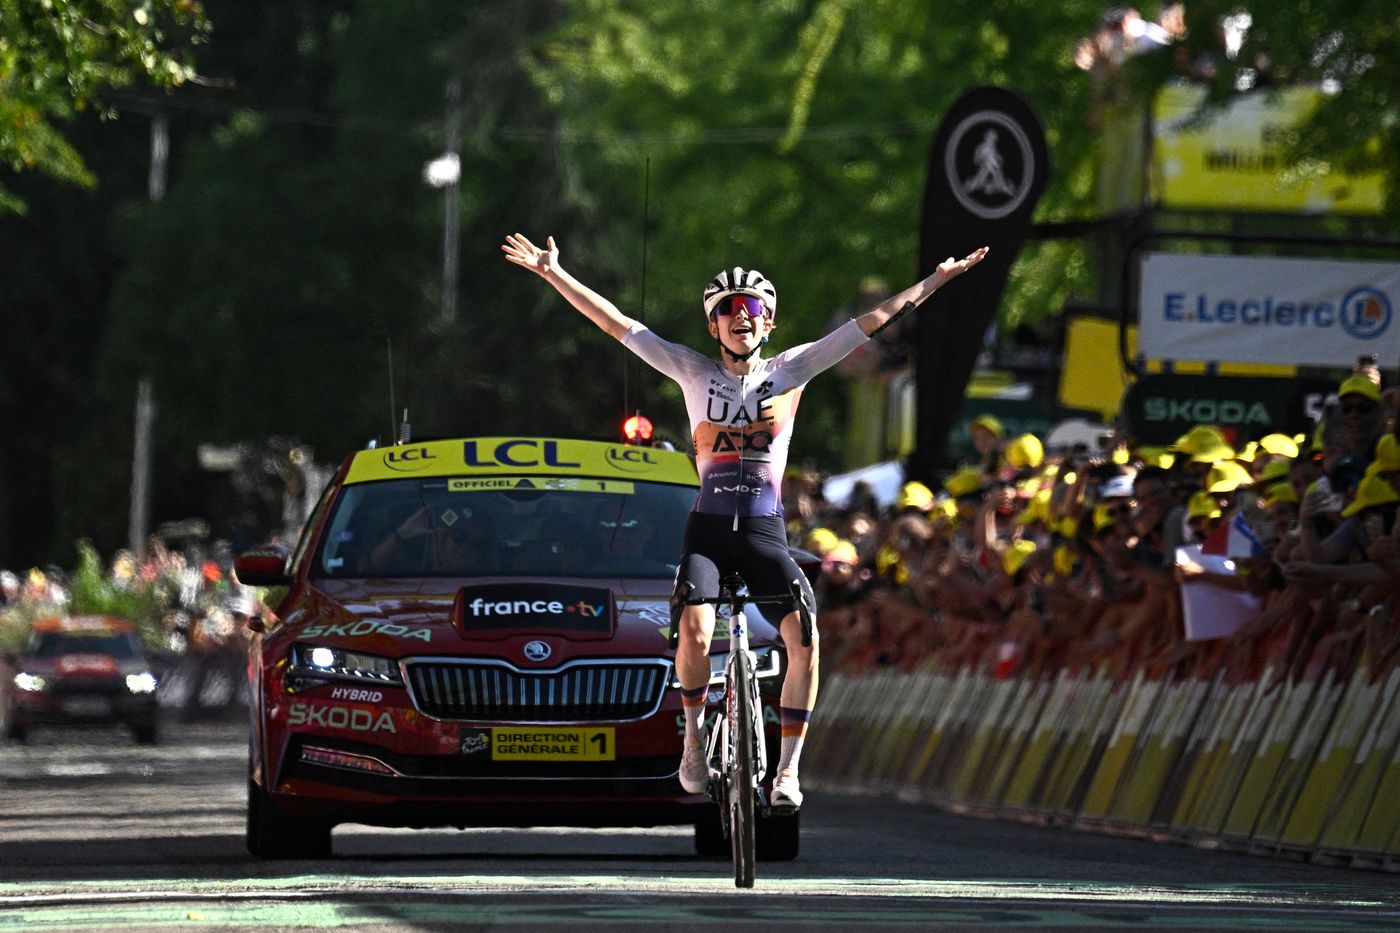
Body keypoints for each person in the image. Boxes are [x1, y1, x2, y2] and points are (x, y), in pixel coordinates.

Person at [503, 231, 988, 810]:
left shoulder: (794, 369)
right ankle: (691, 744)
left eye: (753, 309)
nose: (741, 317)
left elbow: (871, 321)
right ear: (714, 326)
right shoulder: (691, 370)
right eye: (728, 311)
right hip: (708, 532)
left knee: (804, 636)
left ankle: (786, 770)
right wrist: (554, 274)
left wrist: (934, 281)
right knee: (695, 632)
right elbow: (618, 325)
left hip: (763, 535)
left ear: (769, 323)